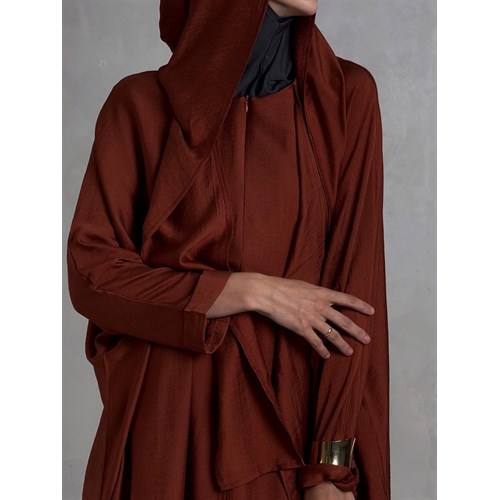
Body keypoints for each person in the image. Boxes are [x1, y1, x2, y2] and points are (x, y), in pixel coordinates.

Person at [66, 0, 391, 499]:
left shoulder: (346, 97)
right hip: (169, 424)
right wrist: (248, 291)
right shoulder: (139, 104)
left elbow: (354, 292)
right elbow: (92, 275)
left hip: (288, 420)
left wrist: (331, 466)